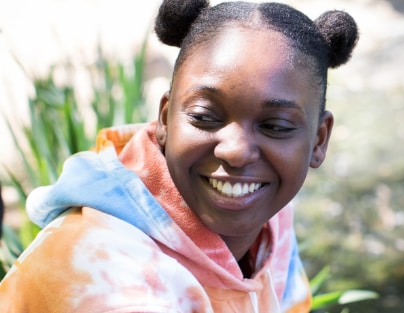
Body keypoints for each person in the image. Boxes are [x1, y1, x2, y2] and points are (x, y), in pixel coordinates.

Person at [0, 0, 358, 311]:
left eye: (276, 126)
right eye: (204, 117)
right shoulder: (109, 285)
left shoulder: (270, 219)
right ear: (165, 119)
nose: (235, 151)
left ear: (318, 140)